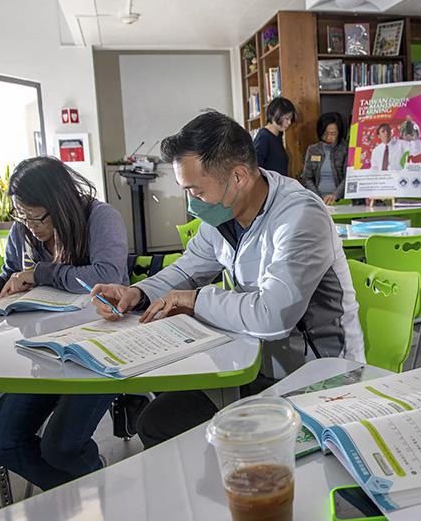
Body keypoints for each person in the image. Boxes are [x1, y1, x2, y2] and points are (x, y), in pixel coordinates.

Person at [90, 110, 365, 448]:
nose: (190, 203)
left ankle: (236, 489)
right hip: (253, 361)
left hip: (316, 377)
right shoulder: (223, 216)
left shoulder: (299, 217)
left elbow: (273, 316)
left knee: (168, 425)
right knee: (159, 418)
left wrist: (195, 300)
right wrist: (137, 292)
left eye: (196, 191)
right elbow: (188, 268)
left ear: (237, 177)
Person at [0, 156, 128, 491]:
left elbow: (107, 275)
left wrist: (42, 272)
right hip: (43, 351)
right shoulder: (23, 228)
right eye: (21, 215)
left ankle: (94, 483)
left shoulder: (100, 218)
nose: (28, 224)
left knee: (61, 446)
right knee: (0, 441)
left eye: (35, 216)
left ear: (61, 203)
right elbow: (13, 271)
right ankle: (76, 494)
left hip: (102, 347)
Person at [300, 112, 348, 204]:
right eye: (325, 133)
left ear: (339, 132)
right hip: (317, 200)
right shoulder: (313, 150)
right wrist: (317, 197)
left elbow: (348, 178)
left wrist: (335, 195)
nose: (328, 137)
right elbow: (307, 177)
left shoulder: (345, 150)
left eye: (333, 134)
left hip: (339, 200)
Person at [253, 96, 296, 176]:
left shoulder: (278, 136)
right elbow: (255, 169)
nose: (289, 122)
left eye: (290, 118)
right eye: (287, 118)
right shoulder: (264, 137)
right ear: (275, 115)